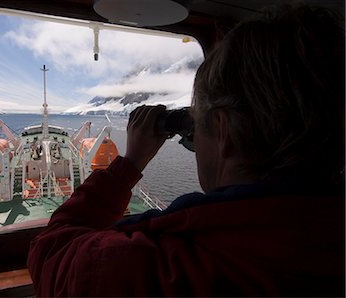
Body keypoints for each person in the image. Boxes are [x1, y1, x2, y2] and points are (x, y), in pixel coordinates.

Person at [28, 3, 345, 297]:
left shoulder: (162, 269)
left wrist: (130, 163)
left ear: (223, 131)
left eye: (198, 125)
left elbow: (51, 252)